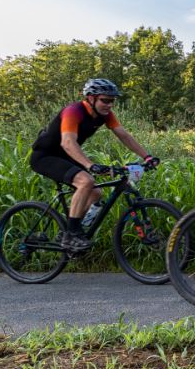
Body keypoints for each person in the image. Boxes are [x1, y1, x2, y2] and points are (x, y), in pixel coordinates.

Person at [29, 79, 153, 252]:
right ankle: (71, 235)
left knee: (95, 192)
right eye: (105, 100)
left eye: (112, 101)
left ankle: (67, 230)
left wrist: (147, 157)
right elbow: (67, 142)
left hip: (66, 156)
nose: (109, 105)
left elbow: (124, 136)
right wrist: (90, 165)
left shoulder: (105, 115)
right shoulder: (74, 111)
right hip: (45, 156)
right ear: (91, 98)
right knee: (86, 181)